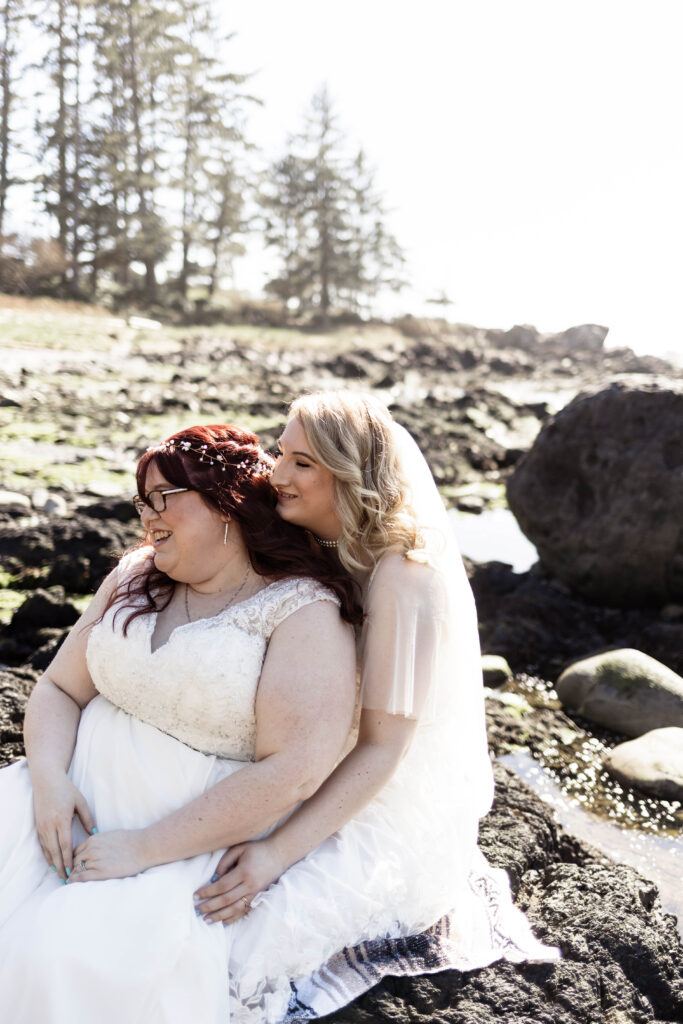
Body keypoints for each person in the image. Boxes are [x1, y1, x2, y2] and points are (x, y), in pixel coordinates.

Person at [194, 391, 560, 1019]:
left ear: (350, 473)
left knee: (242, 933)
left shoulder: (402, 575)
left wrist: (278, 853)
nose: (275, 473)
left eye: (302, 463)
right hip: (309, 765)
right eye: (280, 452)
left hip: (382, 804)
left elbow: (385, 748)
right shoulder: (314, 545)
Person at [0, 423, 360, 1024]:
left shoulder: (301, 610)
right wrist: (48, 784)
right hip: (66, 799)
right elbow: (60, 688)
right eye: (143, 501)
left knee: (60, 957)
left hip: (180, 838)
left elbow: (295, 770)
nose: (148, 516)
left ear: (227, 504)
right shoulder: (134, 574)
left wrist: (144, 848)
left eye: (163, 497)